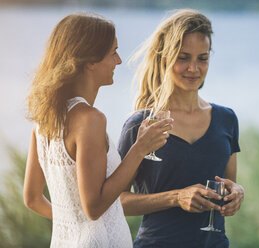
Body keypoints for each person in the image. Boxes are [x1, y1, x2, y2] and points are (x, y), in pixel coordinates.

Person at [23, 13, 172, 248]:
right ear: (91, 61)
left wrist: (72, 223)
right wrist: (140, 148)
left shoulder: (44, 119)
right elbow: (93, 208)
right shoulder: (90, 120)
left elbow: (31, 198)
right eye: (113, 52)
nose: (119, 60)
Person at [118, 9, 244, 248]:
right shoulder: (140, 124)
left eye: (202, 58)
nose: (193, 69)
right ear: (165, 57)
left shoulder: (227, 119)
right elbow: (117, 202)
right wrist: (176, 197)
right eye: (183, 57)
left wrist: (237, 192)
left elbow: (228, 185)